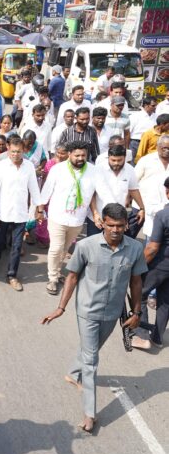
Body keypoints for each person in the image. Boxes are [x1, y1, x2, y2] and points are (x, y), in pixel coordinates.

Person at [41, 203, 146, 434]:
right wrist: (61, 307)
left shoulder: (135, 249)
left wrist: (136, 312)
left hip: (112, 312)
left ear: (126, 225)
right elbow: (72, 276)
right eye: (111, 225)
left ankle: (72, 373)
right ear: (102, 223)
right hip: (87, 310)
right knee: (91, 361)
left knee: (93, 349)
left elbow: (136, 281)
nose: (116, 230)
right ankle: (90, 413)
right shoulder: (86, 246)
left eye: (120, 225)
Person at [0, 136, 44, 291]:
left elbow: (34, 189)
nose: (15, 154)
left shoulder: (29, 167)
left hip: (20, 213)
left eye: (18, 152)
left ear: (23, 150)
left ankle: (12, 275)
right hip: (3, 212)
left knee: (17, 246)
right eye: (12, 151)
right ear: (8, 149)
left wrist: (39, 209)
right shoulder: (0, 166)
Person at [41, 141, 98, 295]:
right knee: (56, 248)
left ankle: (58, 271)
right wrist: (40, 209)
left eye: (83, 155)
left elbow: (95, 194)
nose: (80, 158)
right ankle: (52, 278)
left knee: (65, 249)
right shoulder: (58, 170)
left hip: (77, 219)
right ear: (69, 154)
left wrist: (96, 213)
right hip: (57, 216)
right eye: (77, 155)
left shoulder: (93, 171)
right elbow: (47, 190)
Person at [134, 177, 169, 349]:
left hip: (161, 264)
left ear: (167, 192)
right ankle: (157, 338)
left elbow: (153, 247)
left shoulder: (163, 215)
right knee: (165, 301)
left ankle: (141, 336)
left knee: (140, 294)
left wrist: (138, 264)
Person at [88, 144, 144, 237]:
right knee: (93, 247)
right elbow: (91, 194)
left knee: (116, 247)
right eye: (113, 160)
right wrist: (95, 214)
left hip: (118, 219)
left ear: (125, 158)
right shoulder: (97, 170)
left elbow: (134, 190)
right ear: (108, 157)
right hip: (98, 218)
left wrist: (142, 208)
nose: (116, 163)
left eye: (119, 160)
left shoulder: (130, 170)